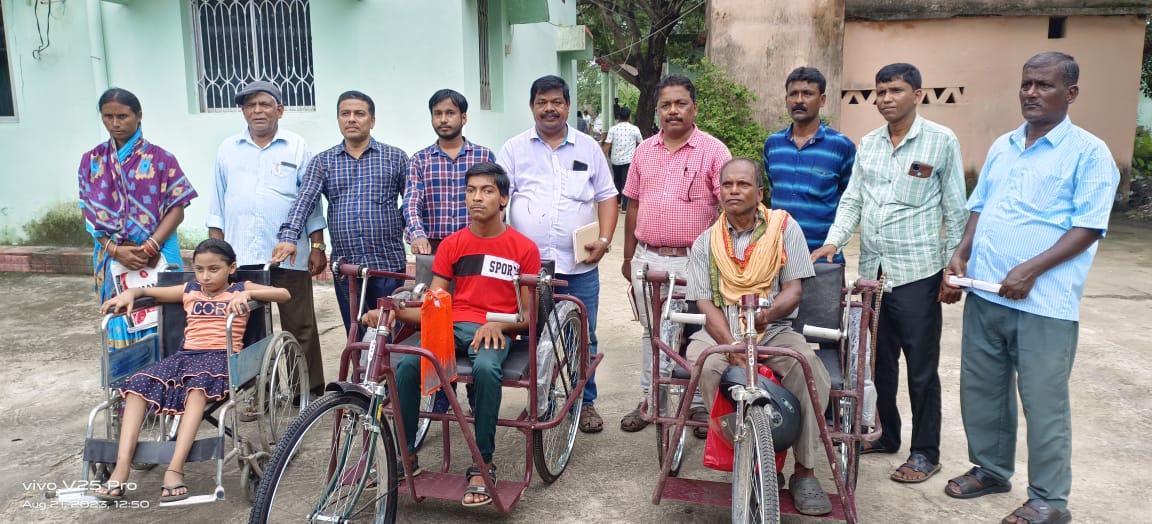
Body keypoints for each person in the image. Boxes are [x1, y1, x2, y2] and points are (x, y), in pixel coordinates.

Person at [943, 52, 1118, 524]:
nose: (1031, 93)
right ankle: (991, 470)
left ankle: (1049, 499)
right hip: (985, 292)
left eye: (1044, 85)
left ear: (1071, 93)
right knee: (983, 390)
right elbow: (980, 207)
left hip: (1043, 303)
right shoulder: (1004, 145)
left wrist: (1031, 270)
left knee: (1044, 403)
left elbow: (1088, 227)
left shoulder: (1089, 153)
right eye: (1026, 84)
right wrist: (961, 253)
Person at [811, 63, 966, 483]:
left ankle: (926, 452)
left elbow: (955, 210)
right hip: (874, 275)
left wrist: (953, 267)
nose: (885, 99)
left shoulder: (940, 141)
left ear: (917, 94)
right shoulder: (870, 144)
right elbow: (853, 200)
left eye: (895, 90)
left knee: (921, 369)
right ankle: (888, 434)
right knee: (879, 364)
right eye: (880, 92)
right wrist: (834, 241)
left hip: (918, 274)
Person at [362, 163, 540, 507]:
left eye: (487, 190)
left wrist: (499, 325)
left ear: (503, 198)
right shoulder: (453, 245)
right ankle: (405, 456)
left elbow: (528, 317)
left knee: (486, 369)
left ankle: (483, 463)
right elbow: (434, 304)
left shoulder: (524, 248)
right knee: (407, 366)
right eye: (471, 190)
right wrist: (393, 310)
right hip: (450, 324)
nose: (477, 198)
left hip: (495, 329)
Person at [685, 158, 830, 516]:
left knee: (807, 367)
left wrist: (762, 319)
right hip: (722, 330)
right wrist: (733, 344)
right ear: (719, 192)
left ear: (759, 192)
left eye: (743, 184)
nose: (734, 191)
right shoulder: (705, 242)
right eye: (727, 185)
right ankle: (747, 457)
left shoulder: (784, 229)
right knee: (705, 364)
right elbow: (705, 302)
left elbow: (793, 291)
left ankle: (805, 470)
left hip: (773, 328)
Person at [93, 239, 290, 503]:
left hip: (221, 359)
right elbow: (150, 293)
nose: (205, 276)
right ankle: (121, 468)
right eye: (199, 269)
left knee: (197, 389)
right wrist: (131, 294)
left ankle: (175, 469)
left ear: (231, 268)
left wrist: (249, 295)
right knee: (137, 385)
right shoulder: (190, 290)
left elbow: (284, 294)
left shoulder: (241, 288)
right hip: (186, 357)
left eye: (213, 269)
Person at [497, 75, 618, 434]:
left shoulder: (588, 148)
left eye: (556, 102)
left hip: (579, 266)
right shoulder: (513, 149)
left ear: (567, 106)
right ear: (532, 106)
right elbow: (499, 199)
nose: (549, 108)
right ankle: (543, 402)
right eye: (542, 102)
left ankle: (586, 402)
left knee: (582, 336)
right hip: (528, 270)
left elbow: (607, 196)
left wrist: (605, 239)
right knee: (531, 336)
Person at [620, 74, 732, 435]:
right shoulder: (643, 150)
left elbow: (729, 207)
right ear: (657, 111)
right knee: (652, 333)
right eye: (665, 105)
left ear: (694, 108)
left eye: (680, 103)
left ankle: (697, 403)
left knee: (697, 330)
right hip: (649, 258)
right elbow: (633, 205)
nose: (673, 111)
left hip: (695, 261)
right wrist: (628, 257)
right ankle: (651, 401)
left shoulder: (714, 151)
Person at [207, 80, 327, 402]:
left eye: (264, 104)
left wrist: (317, 246)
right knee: (249, 329)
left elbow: (311, 200)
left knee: (300, 325)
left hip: (289, 254)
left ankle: (307, 393)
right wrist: (216, 253)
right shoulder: (228, 149)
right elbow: (218, 204)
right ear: (243, 112)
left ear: (280, 110)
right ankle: (257, 396)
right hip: (242, 254)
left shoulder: (297, 146)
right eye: (250, 105)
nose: (257, 111)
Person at [272, 90, 409, 334]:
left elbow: (411, 201)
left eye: (359, 114)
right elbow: (305, 200)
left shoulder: (395, 157)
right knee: (355, 332)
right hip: (347, 269)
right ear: (338, 119)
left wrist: (398, 225)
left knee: (390, 333)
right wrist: (289, 237)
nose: (351, 119)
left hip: (387, 263)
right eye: (345, 114)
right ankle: (356, 362)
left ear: (372, 121)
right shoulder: (323, 162)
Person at [78, 88, 198, 351]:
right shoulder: (92, 161)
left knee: (165, 317)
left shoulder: (162, 159)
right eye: (108, 117)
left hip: (159, 251)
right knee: (119, 313)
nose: (115, 123)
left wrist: (149, 247)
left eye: (122, 116)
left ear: (139, 116)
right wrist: (115, 250)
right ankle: (126, 373)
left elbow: (177, 209)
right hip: (111, 256)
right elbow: (88, 212)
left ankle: (166, 372)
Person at [763, 67, 856, 262]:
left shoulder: (841, 146)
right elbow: (774, 188)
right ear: (786, 99)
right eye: (793, 94)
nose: (799, 100)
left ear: (822, 100)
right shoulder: (773, 145)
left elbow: (850, 199)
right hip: (778, 257)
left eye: (807, 94)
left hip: (823, 258)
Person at [403, 89, 496, 256]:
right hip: (431, 246)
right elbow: (412, 201)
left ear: (464, 118)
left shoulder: (483, 156)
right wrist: (417, 234)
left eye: (450, 113)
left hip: (476, 243)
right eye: (437, 114)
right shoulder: (419, 160)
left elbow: (495, 200)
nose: (443, 119)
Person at [602, 106, 644, 212]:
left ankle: (617, 203)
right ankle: (625, 206)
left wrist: (601, 156)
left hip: (615, 160)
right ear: (629, 117)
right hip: (629, 160)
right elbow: (641, 143)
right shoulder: (635, 129)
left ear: (619, 117)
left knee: (617, 180)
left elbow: (607, 145)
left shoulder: (613, 129)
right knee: (626, 181)